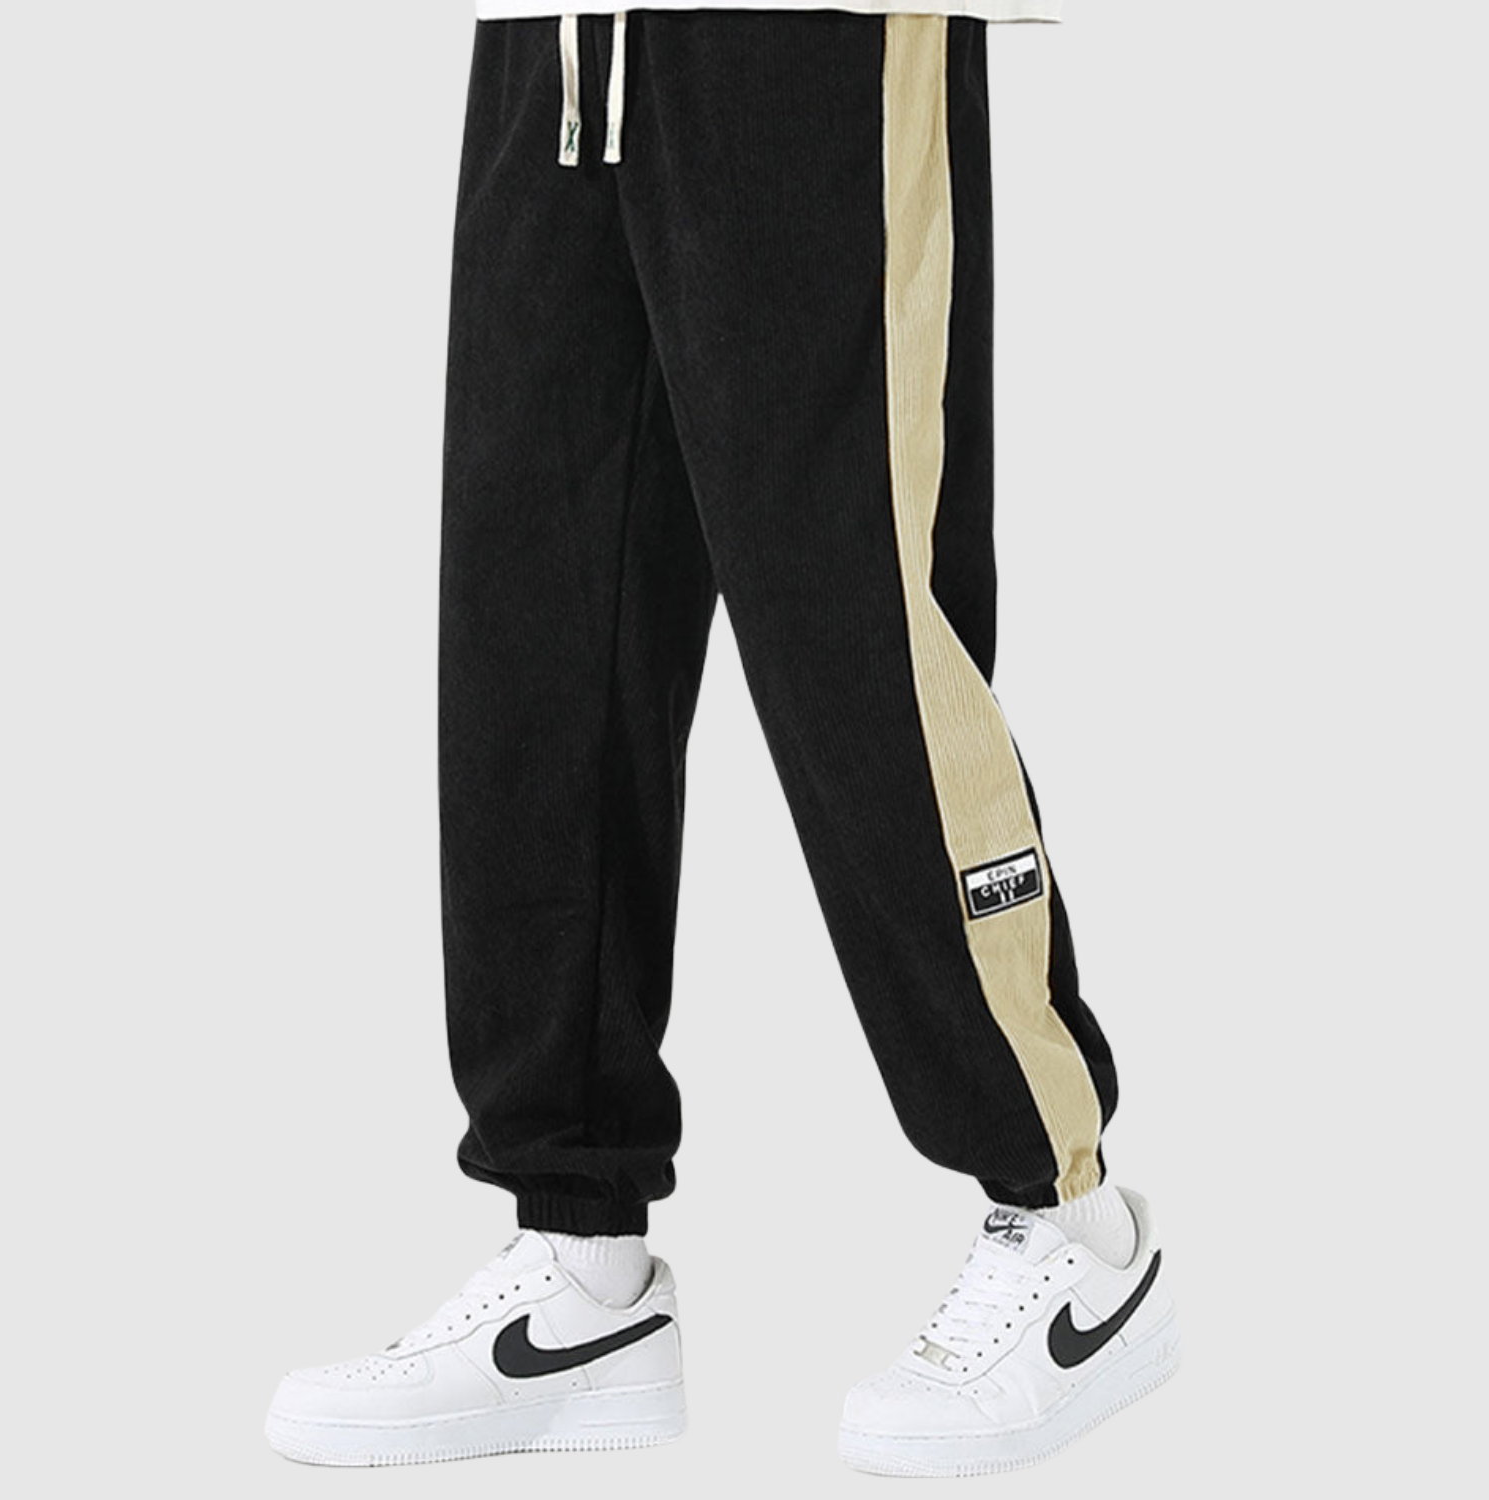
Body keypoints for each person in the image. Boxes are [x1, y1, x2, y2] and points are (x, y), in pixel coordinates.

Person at [265, 3, 1180, 1476]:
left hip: (806, 31)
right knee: (536, 617)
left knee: (854, 614)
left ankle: (1076, 1232)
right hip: (563, 34)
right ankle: (582, 1267)